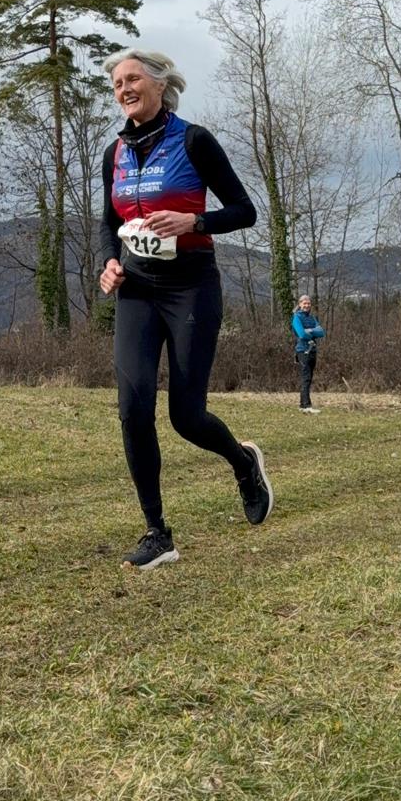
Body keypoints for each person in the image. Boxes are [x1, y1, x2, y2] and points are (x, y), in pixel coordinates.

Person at [99, 48, 273, 569]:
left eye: (132, 79)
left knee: (186, 416)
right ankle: (157, 533)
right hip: (135, 290)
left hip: (190, 289)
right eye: (116, 84)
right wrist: (109, 261)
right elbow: (108, 222)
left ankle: (243, 462)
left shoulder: (193, 140)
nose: (123, 89)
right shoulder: (114, 152)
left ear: (159, 84)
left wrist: (193, 223)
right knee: (132, 410)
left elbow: (246, 211)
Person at [291, 294, 325, 412]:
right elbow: (301, 334)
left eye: (308, 303)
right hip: (303, 350)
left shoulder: (312, 318)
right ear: (300, 304)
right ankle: (306, 406)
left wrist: (310, 330)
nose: (307, 305)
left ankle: (302, 405)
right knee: (305, 378)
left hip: (313, 350)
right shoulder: (297, 318)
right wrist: (311, 332)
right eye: (304, 303)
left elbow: (321, 332)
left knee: (309, 378)